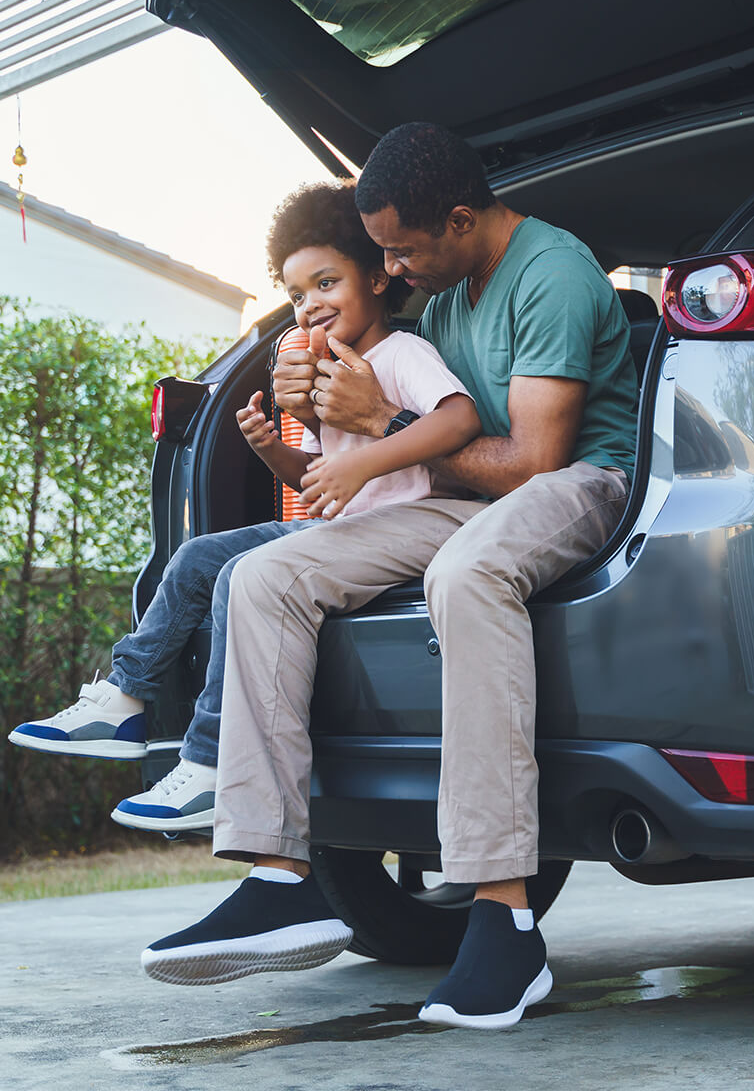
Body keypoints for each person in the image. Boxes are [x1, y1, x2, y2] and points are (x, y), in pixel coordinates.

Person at [140, 123, 639, 1031]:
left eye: (403, 251)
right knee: (262, 576)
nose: (395, 272)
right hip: (461, 491)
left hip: (576, 482)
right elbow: (420, 439)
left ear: (458, 220)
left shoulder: (553, 274)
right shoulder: (443, 300)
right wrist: (317, 403)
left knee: (467, 573)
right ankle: (281, 874)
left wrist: (382, 421)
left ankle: (504, 917)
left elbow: (534, 460)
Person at [6, 180, 480, 834]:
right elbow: (317, 477)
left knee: (238, 576)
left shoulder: (401, 353)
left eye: (325, 282)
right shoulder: (323, 375)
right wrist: (268, 450)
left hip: (398, 529)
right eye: (295, 295)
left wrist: (369, 453)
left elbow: (458, 421)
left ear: (375, 277)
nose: (309, 306)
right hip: (338, 530)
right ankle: (124, 698)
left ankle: (208, 761)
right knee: (200, 555)